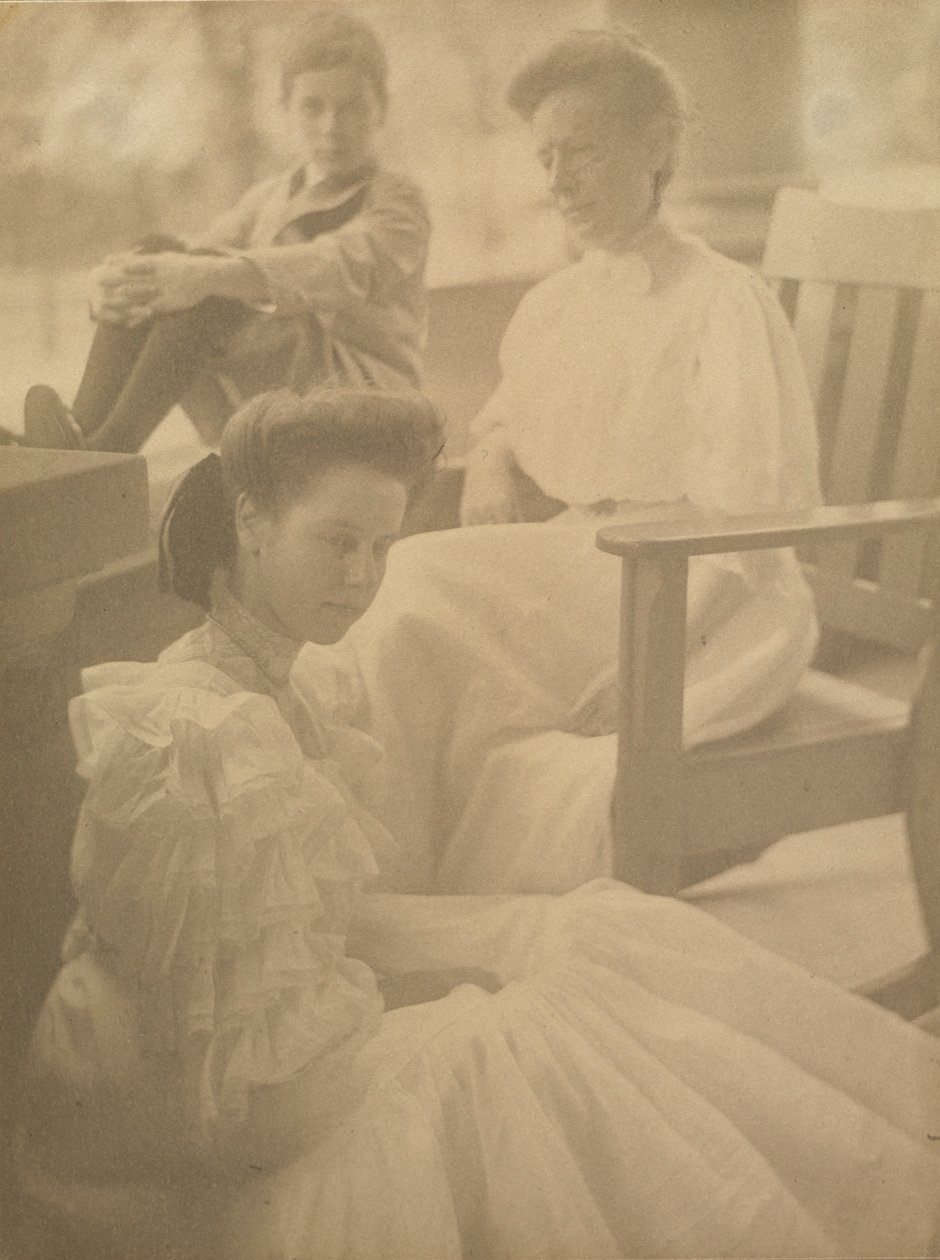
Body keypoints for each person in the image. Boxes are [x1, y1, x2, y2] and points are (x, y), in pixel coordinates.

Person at [13, 387, 940, 1260]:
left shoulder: (282, 686)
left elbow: (301, 932)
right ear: (251, 521)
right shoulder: (198, 734)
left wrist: (492, 950)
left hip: (256, 1045)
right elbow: (224, 1081)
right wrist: (442, 987)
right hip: (184, 1131)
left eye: (381, 548)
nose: (363, 579)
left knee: (594, 927)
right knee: (517, 1040)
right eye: (337, 542)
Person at [325, 28, 824, 894]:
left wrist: (646, 669)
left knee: (413, 592)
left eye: (583, 152)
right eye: (547, 157)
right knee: (401, 599)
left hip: (700, 599)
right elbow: (511, 415)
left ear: (656, 147)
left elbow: (750, 528)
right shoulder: (560, 302)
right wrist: (492, 455)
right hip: (589, 563)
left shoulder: (722, 304)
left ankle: (393, 887)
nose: (558, 181)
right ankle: (378, 876)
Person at [21, 5, 428, 454]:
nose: (331, 127)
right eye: (313, 107)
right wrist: (113, 283)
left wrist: (206, 275)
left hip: (367, 406)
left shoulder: (397, 203)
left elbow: (334, 266)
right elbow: (189, 257)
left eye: (351, 108)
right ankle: (78, 437)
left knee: (210, 279)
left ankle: (107, 450)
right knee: (158, 253)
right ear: (286, 109)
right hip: (278, 398)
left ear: (381, 109)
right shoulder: (270, 196)